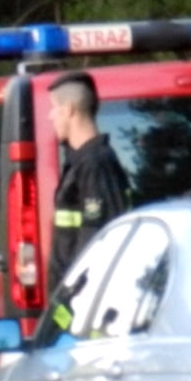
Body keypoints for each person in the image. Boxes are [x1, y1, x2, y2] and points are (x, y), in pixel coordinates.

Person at [46, 71, 130, 290]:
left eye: (54, 108)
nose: (50, 116)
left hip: (84, 302)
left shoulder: (95, 164)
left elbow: (97, 240)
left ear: (69, 110)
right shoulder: (79, 163)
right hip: (68, 300)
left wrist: (76, 294)